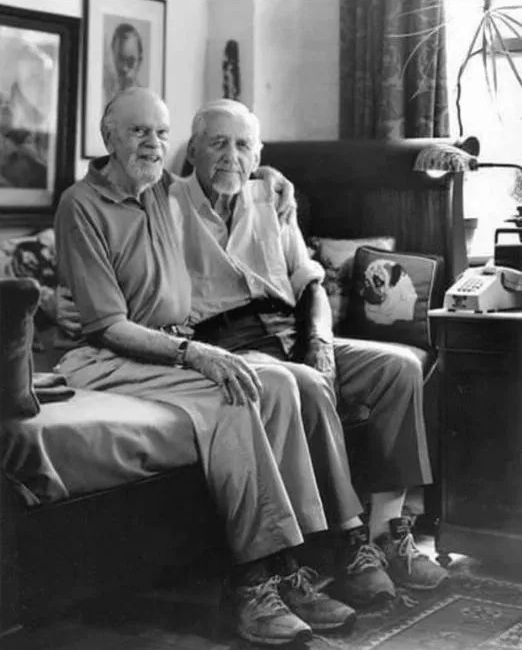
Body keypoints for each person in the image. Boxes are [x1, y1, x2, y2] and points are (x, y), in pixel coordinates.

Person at [53, 87, 356, 646]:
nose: (152, 143)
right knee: (240, 393)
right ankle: (250, 584)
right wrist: (195, 353)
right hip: (113, 355)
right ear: (108, 137)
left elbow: (225, 171)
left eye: (161, 133)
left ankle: (289, 567)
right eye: (138, 131)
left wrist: (273, 178)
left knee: (279, 382)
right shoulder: (82, 204)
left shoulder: (159, 188)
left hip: (170, 345)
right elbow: (107, 327)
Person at [167, 99, 449, 605]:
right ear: (192, 150)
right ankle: (348, 544)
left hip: (291, 331)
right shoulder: (167, 204)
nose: (231, 156)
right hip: (225, 341)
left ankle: (388, 533)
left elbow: (309, 282)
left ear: (258, 155)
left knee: (400, 367)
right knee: (308, 383)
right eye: (218, 143)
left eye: (243, 145)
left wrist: (319, 343)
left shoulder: (270, 198)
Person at [104, 23, 144, 106]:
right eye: (120, 60)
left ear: (139, 62)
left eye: (130, 61)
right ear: (113, 56)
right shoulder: (105, 96)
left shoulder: (145, 103)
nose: (124, 68)